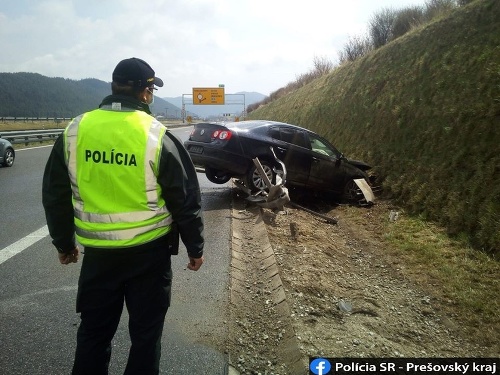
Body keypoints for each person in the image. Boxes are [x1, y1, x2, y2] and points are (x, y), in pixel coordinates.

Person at [42, 57, 204, 375]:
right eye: (151, 90)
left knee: (93, 335)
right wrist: (195, 247)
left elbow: (55, 194)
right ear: (144, 93)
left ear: (114, 87)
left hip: (98, 259)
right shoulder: (157, 135)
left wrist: (64, 244)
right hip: (149, 258)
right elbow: (184, 198)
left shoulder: (76, 130)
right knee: (145, 339)